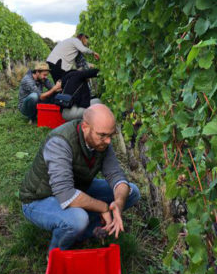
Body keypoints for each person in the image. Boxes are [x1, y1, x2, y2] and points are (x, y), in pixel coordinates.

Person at [20, 104, 140, 253]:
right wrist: (103, 207)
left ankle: (84, 232)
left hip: (77, 187)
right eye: (102, 135)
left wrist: (118, 203)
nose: (108, 141)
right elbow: (66, 195)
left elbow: (116, 175)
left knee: (131, 191)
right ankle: (57, 254)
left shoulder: (102, 142)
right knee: (78, 219)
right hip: (40, 199)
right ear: (85, 127)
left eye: (111, 135)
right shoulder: (60, 141)